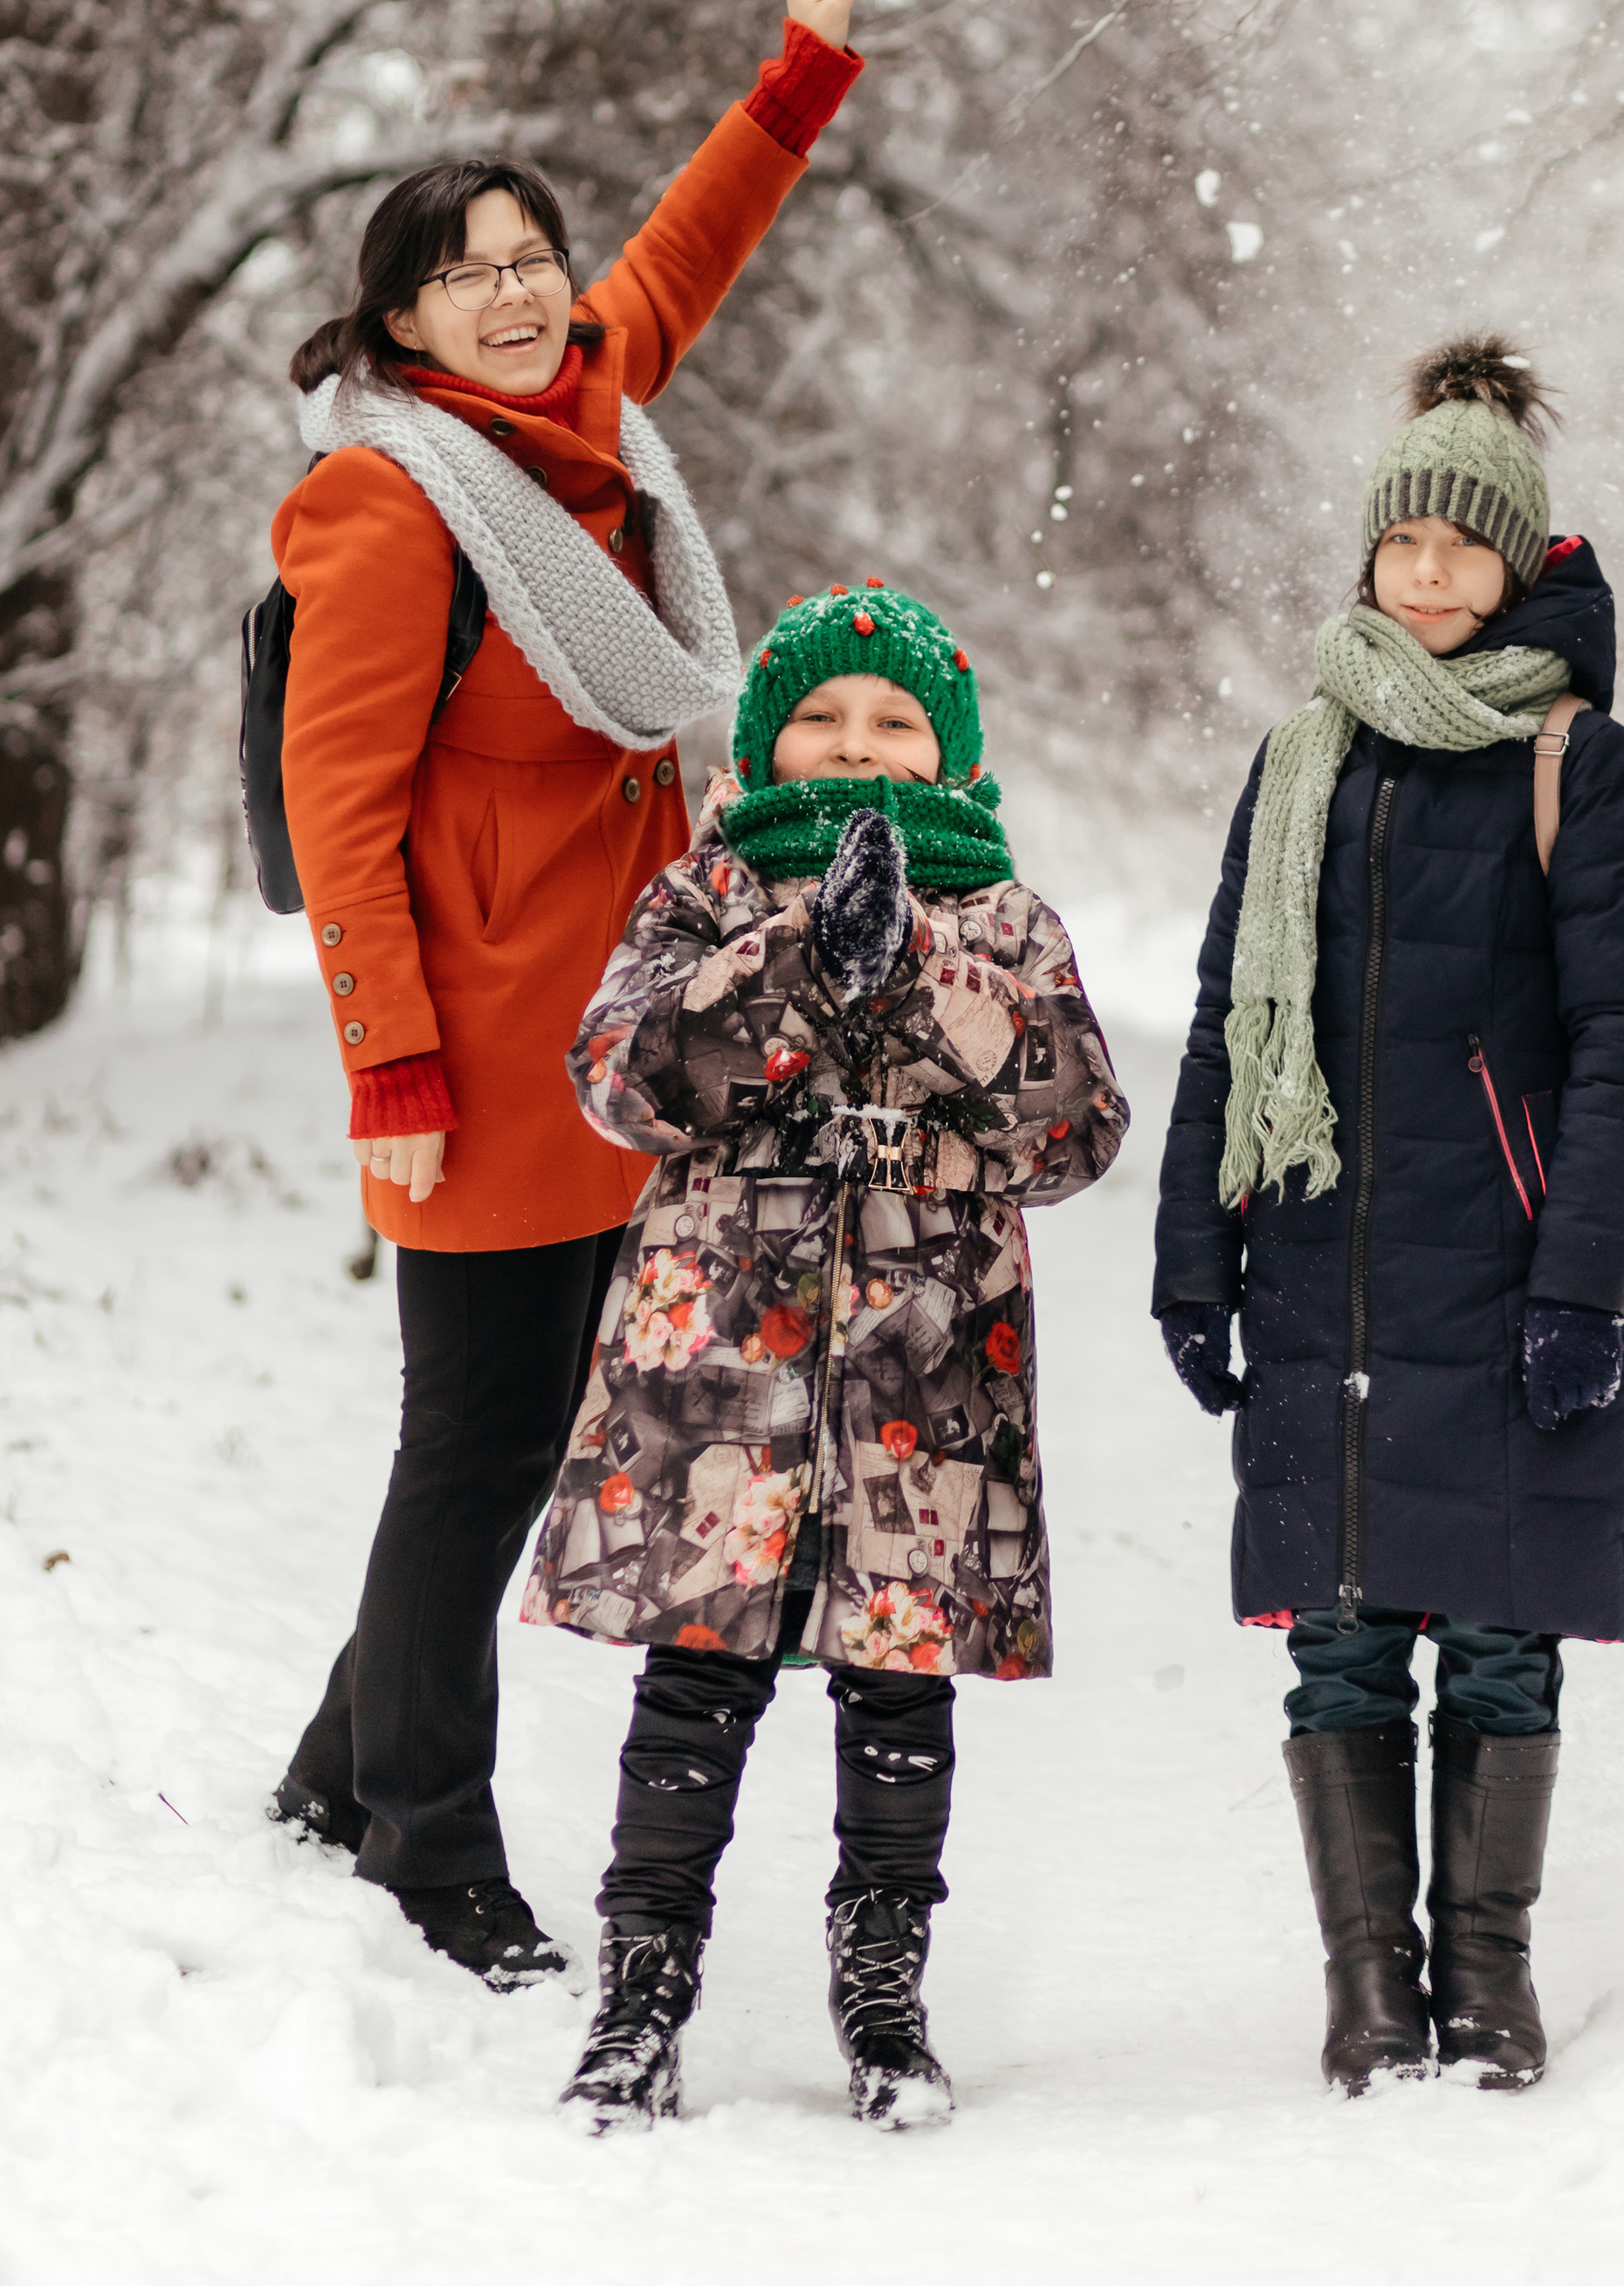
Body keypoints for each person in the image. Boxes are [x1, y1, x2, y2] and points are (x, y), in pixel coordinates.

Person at [268, 0, 875, 1986]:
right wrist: (391, 1073)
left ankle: (335, 1761)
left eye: (533, 257)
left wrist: (798, 70)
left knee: (534, 1439)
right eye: (468, 273)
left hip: (633, 1050)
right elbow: (340, 812)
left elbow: (682, 257)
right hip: (478, 1059)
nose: (520, 293)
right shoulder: (385, 502)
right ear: (401, 320)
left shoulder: (589, 432)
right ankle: (424, 1840)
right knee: (473, 1452)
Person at [518, 582, 1126, 2127]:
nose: (857, 747)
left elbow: (1072, 1123)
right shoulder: (707, 893)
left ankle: (885, 1992)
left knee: (898, 1685)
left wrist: (914, 963)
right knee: (696, 1681)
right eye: (823, 717)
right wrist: (796, 954)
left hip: (926, 1376)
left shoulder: (1005, 920)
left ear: (952, 754)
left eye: (895, 723)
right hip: (721, 1365)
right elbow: (624, 1077)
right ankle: (643, 1991)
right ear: (770, 738)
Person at [1153, 336, 1624, 2094]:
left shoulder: (1575, 766)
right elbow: (1233, 1011)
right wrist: (1190, 1259)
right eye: (1403, 545)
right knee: (1340, 1635)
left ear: (1520, 559)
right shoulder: (1304, 759)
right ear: (1368, 557)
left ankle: (1488, 1975)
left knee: (1504, 1631)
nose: (1429, 573)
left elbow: (1621, 1046)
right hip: (1322, 1266)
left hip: (1504, 1268)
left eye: (1463, 546)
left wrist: (1579, 1286)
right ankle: (1368, 1987)